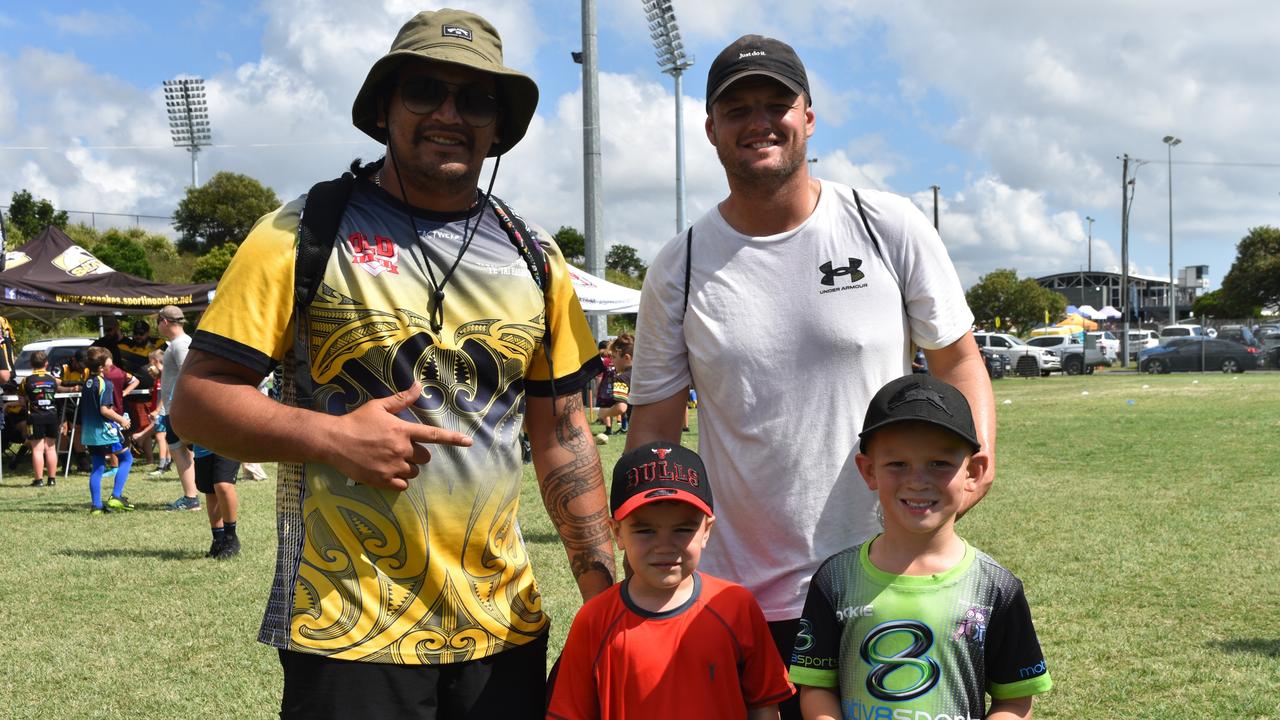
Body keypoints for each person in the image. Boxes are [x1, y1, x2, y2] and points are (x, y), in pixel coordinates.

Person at [170, 10, 614, 719]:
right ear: (384, 108)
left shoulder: (535, 256)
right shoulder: (301, 232)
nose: (449, 113)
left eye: (475, 99)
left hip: (503, 633)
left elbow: (562, 435)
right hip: (346, 634)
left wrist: (605, 602)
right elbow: (196, 404)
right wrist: (331, 438)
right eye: (424, 91)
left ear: (499, 126)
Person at [624, 34, 995, 720]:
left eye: (777, 103)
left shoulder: (886, 224)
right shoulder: (679, 266)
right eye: (737, 109)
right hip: (737, 597)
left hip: (885, 578)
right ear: (710, 129)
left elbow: (959, 360)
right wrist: (647, 546)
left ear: (810, 116)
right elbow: (654, 423)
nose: (758, 120)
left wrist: (976, 464)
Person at [789, 375, 1051, 720]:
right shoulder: (835, 579)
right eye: (897, 464)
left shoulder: (996, 587)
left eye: (939, 463)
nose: (917, 480)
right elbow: (817, 688)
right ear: (869, 471)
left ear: (973, 471)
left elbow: (1015, 701)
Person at [547, 441, 793, 719]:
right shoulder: (594, 619)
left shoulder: (736, 607)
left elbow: (764, 705)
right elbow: (569, 713)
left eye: (683, 529)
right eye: (645, 530)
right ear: (617, 532)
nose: (664, 546)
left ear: (706, 530)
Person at [154, 306, 200, 511]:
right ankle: (192, 495)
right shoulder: (182, 342)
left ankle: (191, 498)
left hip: (179, 409)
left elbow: (187, 374)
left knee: (177, 449)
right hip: (179, 408)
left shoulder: (180, 344)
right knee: (185, 450)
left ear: (164, 322)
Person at [80, 347, 134, 515]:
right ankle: (116, 496)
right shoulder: (106, 383)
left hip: (90, 433)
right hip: (105, 432)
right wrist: (122, 420)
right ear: (102, 366)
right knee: (127, 458)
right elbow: (105, 410)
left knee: (97, 467)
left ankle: (96, 506)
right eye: (109, 361)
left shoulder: (88, 382)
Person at [192, 444, 241, 559]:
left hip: (227, 442)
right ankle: (218, 540)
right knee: (210, 492)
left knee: (223, 485)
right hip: (201, 446)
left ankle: (230, 538)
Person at [20, 351, 60, 487]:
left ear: (31, 364)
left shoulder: (26, 380)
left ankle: (38, 480)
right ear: (46, 363)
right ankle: (52, 479)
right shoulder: (53, 379)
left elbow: (21, 400)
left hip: (35, 416)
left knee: (37, 449)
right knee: (51, 448)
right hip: (52, 416)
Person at [594, 333, 632, 445]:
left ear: (626, 358)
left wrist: (604, 413)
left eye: (614, 357)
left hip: (638, 427)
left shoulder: (622, 378)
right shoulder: (644, 373)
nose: (612, 362)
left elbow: (621, 408)